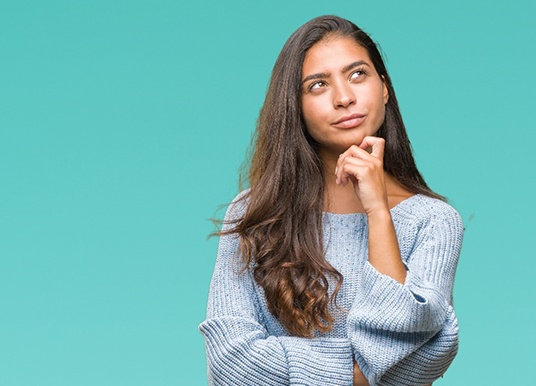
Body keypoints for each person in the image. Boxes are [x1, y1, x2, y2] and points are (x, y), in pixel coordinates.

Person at [199, 15, 463, 386]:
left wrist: (378, 212)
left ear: (384, 88)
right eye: (318, 85)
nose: (344, 97)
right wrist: (361, 372)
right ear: (297, 107)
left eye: (357, 74)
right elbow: (232, 363)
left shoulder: (433, 221)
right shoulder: (253, 212)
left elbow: (412, 353)